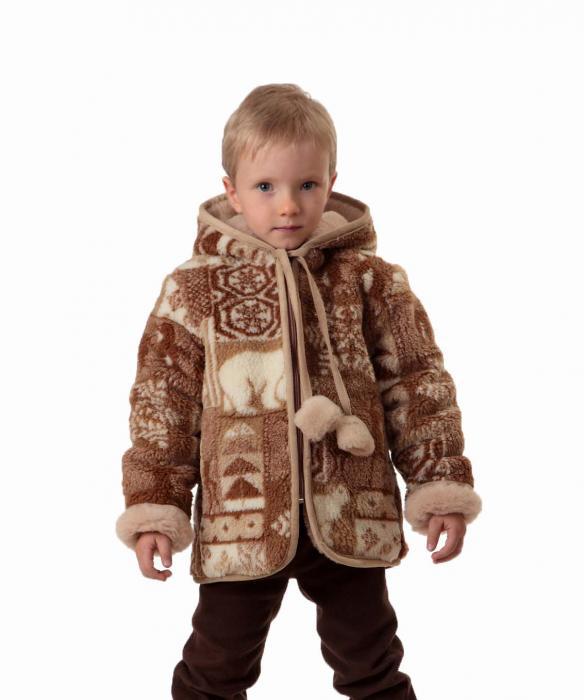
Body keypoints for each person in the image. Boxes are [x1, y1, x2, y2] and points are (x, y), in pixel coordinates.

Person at [115, 83, 483, 699]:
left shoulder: (371, 281)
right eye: (265, 187)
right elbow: (162, 403)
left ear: (331, 182)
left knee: (372, 662)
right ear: (232, 189)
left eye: (307, 185)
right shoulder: (193, 290)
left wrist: (438, 483)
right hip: (241, 519)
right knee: (215, 667)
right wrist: (156, 503)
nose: (288, 205)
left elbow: (418, 382)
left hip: (352, 508)